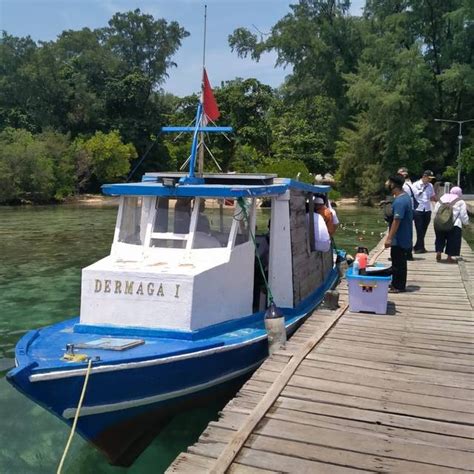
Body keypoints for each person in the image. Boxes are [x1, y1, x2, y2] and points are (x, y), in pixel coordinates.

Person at [384, 174, 413, 292]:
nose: (386, 184)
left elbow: (397, 220)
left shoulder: (400, 201)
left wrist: (389, 238)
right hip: (404, 236)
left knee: (398, 262)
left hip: (399, 237)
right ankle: (395, 283)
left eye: (388, 182)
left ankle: (398, 286)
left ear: (393, 184)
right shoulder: (405, 197)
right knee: (398, 260)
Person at [433, 186, 469, 263]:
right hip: (455, 224)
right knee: (452, 241)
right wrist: (466, 223)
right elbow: (463, 215)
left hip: (440, 223)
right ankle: (449, 257)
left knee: (439, 238)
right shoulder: (460, 201)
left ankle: (439, 252)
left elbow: (436, 210)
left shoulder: (442, 198)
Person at [412, 170, 437, 253]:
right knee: (419, 229)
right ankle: (420, 248)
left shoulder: (430, 185)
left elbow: (432, 197)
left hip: (427, 209)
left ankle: (418, 246)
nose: (430, 180)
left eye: (431, 178)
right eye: (429, 178)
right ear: (424, 176)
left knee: (424, 229)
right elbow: (414, 196)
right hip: (418, 209)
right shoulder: (415, 185)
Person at [397, 167, 415, 260]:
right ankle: (408, 253)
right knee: (409, 231)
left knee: (401, 231)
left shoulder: (403, 186)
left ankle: (404, 253)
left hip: (404, 209)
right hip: (410, 209)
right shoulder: (411, 184)